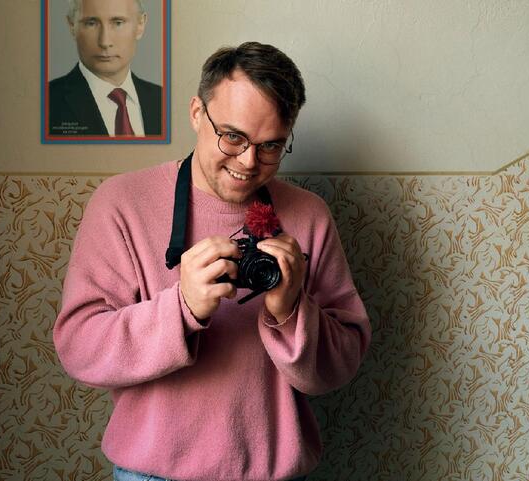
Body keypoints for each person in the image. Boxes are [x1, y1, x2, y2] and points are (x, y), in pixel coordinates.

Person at [54, 42, 371, 481]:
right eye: (233, 136)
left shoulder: (309, 215)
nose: (249, 162)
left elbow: (343, 362)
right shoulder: (121, 204)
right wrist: (181, 308)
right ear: (197, 113)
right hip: (153, 475)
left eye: (271, 145)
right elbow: (80, 350)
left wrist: (291, 311)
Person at [49, 0, 162, 137]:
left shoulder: (164, 101)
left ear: (140, 24)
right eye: (91, 23)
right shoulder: (43, 103)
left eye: (118, 23)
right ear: (72, 26)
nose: (105, 42)